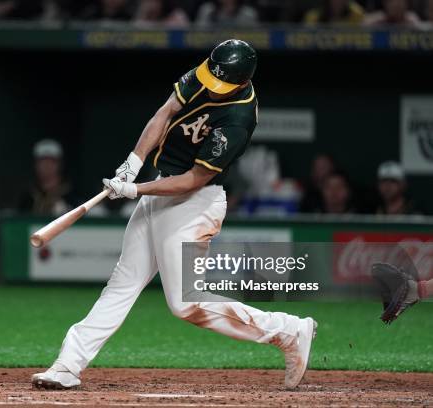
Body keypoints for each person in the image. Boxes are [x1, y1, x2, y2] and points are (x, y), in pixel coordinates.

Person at [32, 39, 317, 391]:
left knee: (185, 304)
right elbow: (165, 112)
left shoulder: (238, 119)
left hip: (194, 203)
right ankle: (66, 366)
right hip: (160, 186)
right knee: (122, 285)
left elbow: (194, 179)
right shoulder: (207, 72)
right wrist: (134, 162)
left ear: (242, 82)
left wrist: (135, 190)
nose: (212, 89)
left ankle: (288, 330)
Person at [19, 139, 76, 216]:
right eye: (42, 161)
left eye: (51, 161)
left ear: (60, 164)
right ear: (35, 164)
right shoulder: (28, 196)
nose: (46, 165)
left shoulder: (71, 195)